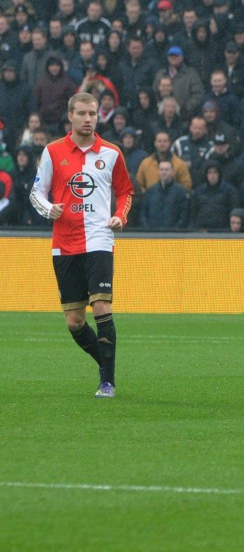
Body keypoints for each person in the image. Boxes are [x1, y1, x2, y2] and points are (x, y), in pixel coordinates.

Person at [29, 92, 134, 398]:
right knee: (75, 322)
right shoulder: (52, 151)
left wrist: (119, 216)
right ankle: (105, 363)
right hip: (64, 244)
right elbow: (37, 192)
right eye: (83, 114)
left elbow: (126, 191)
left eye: (93, 114)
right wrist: (49, 209)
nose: (89, 119)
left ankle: (108, 382)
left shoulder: (112, 153)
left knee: (101, 303)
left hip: (100, 239)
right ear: (70, 116)